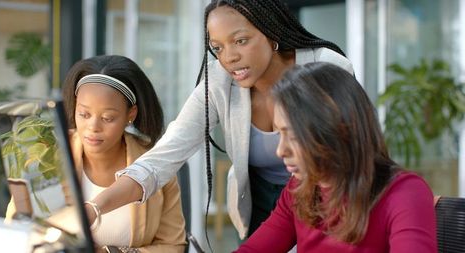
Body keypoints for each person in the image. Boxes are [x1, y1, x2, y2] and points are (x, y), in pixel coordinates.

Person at [85, 0, 354, 241]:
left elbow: (350, 155)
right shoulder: (220, 80)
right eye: (218, 47)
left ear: (272, 34)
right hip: (259, 204)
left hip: (326, 200)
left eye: (240, 41)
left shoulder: (327, 67)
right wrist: (95, 207)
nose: (229, 57)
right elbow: (163, 156)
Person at [233, 62, 437, 252]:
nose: (280, 151)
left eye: (294, 135)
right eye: (280, 133)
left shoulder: (404, 193)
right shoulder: (299, 190)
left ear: (335, 129)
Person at [61, 55, 187, 253]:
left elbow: (173, 246)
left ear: (131, 114)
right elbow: (18, 227)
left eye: (107, 118)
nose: (93, 127)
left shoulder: (155, 163)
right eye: (84, 114)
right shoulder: (50, 153)